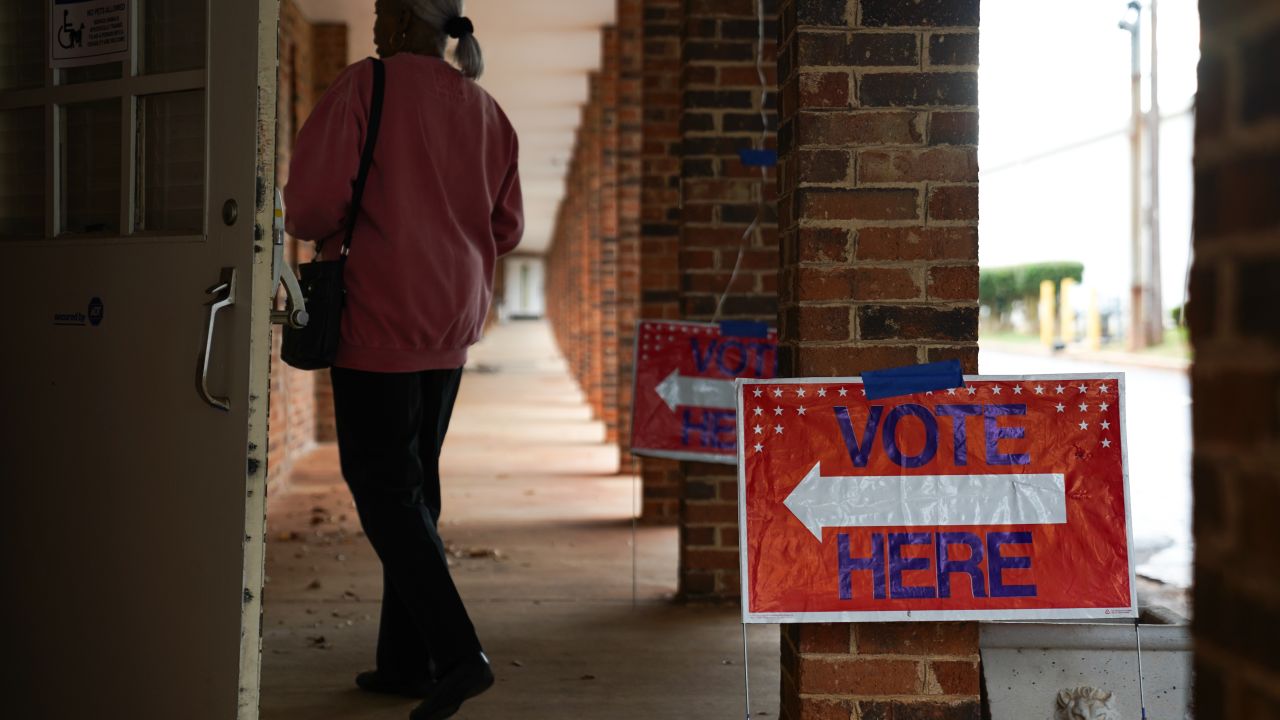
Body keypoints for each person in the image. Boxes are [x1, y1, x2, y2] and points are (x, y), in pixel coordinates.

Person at [283, 0, 522, 717]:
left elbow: (311, 208)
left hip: (380, 315)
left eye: (388, 10)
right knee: (416, 486)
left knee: (384, 490)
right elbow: (506, 228)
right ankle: (405, 660)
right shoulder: (487, 112)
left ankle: (457, 653)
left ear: (417, 21)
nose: (378, 23)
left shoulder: (367, 85)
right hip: (450, 321)